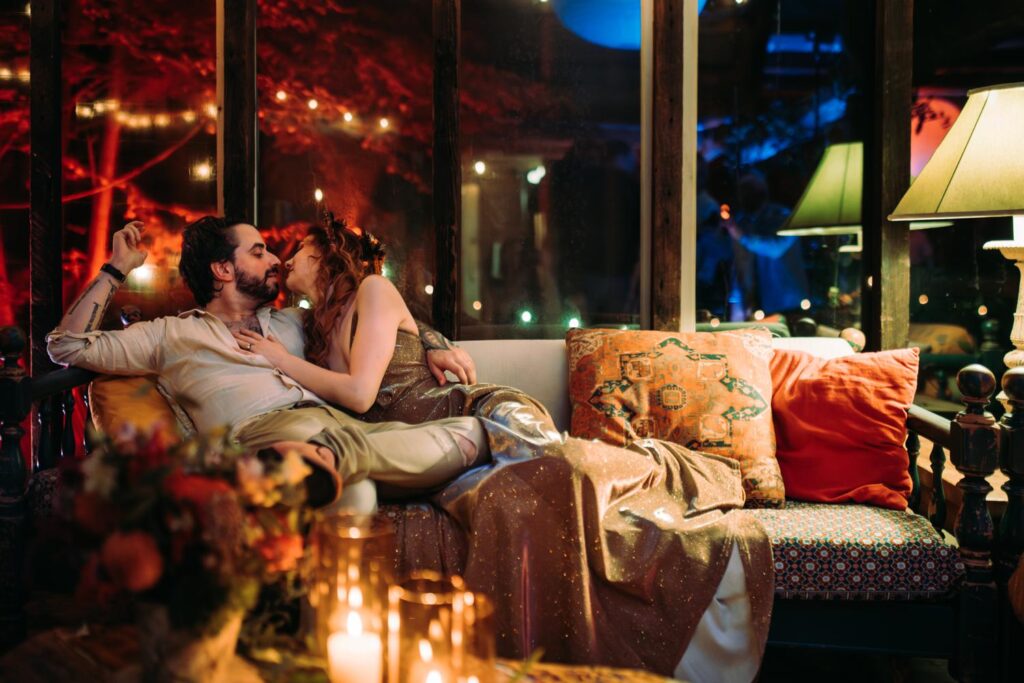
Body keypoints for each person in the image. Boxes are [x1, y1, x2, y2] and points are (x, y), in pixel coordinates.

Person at [237, 218, 773, 683]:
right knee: (505, 502)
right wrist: (429, 339)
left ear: (330, 254)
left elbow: (359, 392)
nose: (287, 260)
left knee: (561, 468)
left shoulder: (373, 290)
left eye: (299, 250)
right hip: (427, 445)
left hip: (472, 412)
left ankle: (661, 468)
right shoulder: (312, 328)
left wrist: (281, 359)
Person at [46, 218, 482, 510]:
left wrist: (431, 343)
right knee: (358, 494)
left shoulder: (298, 323)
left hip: (338, 427)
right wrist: (114, 270)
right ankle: (300, 461)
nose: (276, 260)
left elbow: (378, 317)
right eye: (259, 252)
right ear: (222, 269)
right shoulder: (169, 335)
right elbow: (65, 346)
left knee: (473, 433)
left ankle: (324, 459)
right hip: (262, 432)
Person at [725, 171, 810, 320]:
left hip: (786, 303)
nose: (744, 194)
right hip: (756, 304)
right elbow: (738, 262)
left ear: (762, 189)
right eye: (742, 189)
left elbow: (775, 249)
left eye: (749, 188)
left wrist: (740, 236)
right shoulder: (743, 221)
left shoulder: (783, 216)